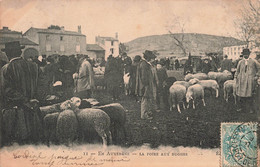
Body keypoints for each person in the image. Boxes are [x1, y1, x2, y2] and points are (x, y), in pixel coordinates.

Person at [0, 41, 43, 145]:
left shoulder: (6, 68)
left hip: (16, 114)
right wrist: (34, 99)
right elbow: (42, 86)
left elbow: (7, 91)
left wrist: (25, 100)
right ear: (20, 52)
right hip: (34, 110)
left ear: (7, 54)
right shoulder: (34, 66)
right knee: (35, 142)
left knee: (18, 145)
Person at [234, 49, 259, 113]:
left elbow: (259, 69)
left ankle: (251, 109)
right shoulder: (240, 62)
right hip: (241, 80)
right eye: (244, 54)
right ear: (243, 55)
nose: (245, 55)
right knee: (241, 95)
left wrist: (257, 76)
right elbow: (237, 71)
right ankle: (242, 108)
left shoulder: (253, 61)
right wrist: (236, 77)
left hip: (250, 80)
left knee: (250, 95)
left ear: (249, 54)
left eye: (247, 54)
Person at [136, 50, 157, 119]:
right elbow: (144, 77)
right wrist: (146, 85)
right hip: (145, 85)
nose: (152, 59)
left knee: (147, 99)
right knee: (145, 99)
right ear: (148, 58)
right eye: (151, 58)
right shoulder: (144, 65)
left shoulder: (143, 63)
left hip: (145, 85)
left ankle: (147, 112)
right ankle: (144, 115)